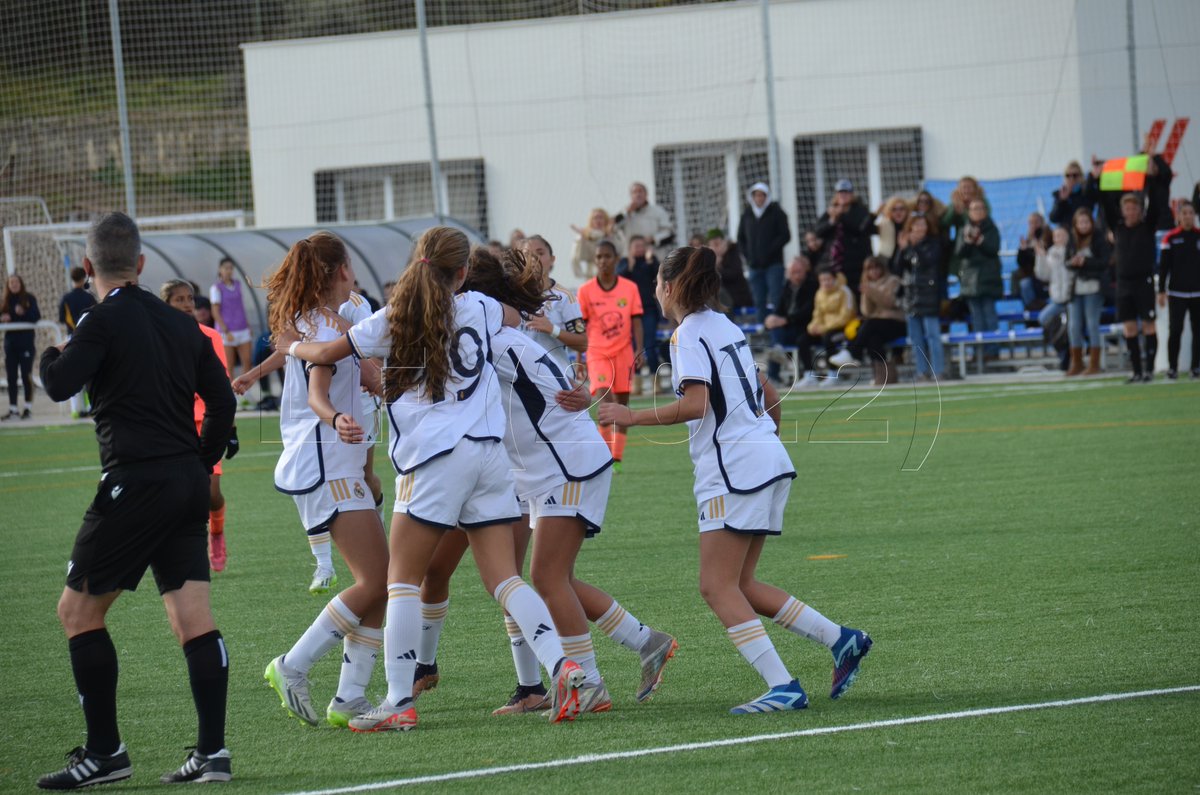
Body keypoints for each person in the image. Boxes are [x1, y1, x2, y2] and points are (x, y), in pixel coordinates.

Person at [282, 226, 587, 731]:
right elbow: (512, 315)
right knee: (505, 578)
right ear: (463, 273)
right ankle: (563, 665)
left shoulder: (392, 317)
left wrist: (293, 347)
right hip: (490, 455)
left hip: (434, 459)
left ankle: (398, 701)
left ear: (415, 262)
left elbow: (326, 355)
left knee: (401, 580)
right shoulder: (481, 308)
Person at [598, 245, 871, 714]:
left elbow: (696, 404)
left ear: (666, 287)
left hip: (734, 469)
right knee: (740, 583)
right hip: (765, 458)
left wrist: (631, 416)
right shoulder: (727, 326)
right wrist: (765, 440)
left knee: (715, 586)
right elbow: (768, 392)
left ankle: (782, 684)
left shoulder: (686, 335)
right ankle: (841, 640)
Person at [413, 246, 676, 716]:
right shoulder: (498, 335)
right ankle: (642, 643)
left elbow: (543, 383)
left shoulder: (495, 340)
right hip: (540, 469)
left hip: (565, 465)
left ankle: (589, 683)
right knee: (543, 577)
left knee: (545, 576)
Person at [36, 212, 235, 787]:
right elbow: (222, 404)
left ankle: (106, 753)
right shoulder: (182, 325)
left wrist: (53, 348)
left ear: (88, 267)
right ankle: (213, 753)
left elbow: (58, 383)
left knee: (76, 613)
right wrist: (198, 465)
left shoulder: (99, 320)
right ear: (142, 264)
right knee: (193, 617)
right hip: (184, 483)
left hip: (133, 482)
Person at [260, 232, 390, 731]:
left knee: (380, 584)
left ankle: (350, 697)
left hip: (342, 461)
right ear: (340, 269)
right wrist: (335, 418)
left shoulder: (339, 315)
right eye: (350, 263)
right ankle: (292, 666)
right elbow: (319, 388)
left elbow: (367, 372)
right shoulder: (315, 324)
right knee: (376, 581)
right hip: (325, 462)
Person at [160, 280, 239, 572]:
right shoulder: (157, 339)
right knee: (175, 490)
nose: (187, 304)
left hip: (208, 420)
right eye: (179, 299)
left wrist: (230, 430)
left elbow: (222, 386)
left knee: (210, 491)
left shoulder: (210, 336)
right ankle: (184, 548)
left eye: (190, 298)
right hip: (173, 422)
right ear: (165, 304)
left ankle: (216, 532)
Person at [1092, 154, 1169, 382]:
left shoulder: (1147, 226)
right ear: (1123, 210)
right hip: (1123, 284)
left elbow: (1156, 202)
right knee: (1129, 328)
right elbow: (1105, 203)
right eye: (1127, 207)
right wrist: (1098, 179)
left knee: (1148, 325)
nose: (1131, 211)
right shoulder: (1117, 228)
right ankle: (1136, 371)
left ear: (1139, 210)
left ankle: (1149, 370)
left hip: (1143, 282)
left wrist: (1151, 176)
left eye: (1134, 207)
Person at [580, 240, 644, 469]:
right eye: (599, 257)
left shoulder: (629, 288)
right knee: (605, 401)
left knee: (623, 405)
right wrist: (579, 358)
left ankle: (616, 457)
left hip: (624, 351)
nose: (603, 261)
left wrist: (639, 349)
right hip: (597, 353)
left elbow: (637, 321)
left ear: (616, 260)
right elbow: (581, 327)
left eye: (607, 256)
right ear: (595, 260)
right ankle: (604, 455)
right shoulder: (585, 291)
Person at [831, 256, 906, 385]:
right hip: (877, 324)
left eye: (877, 268)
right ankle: (883, 377)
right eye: (870, 269)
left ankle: (853, 352)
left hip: (896, 322)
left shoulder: (893, 281)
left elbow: (890, 302)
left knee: (870, 324)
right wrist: (865, 295)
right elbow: (867, 312)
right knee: (873, 339)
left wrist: (872, 291)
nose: (874, 272)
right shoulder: (868, 285)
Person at [522, 235, 587, 377]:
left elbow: (583, 344)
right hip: (521, 379)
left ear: (552, 260)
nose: (534, 259)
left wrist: (552, 329)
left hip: (555, 378)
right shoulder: (511, 295)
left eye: (540, 253)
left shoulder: (565, 297)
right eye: (527, 255)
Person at [897, 213, 946, 381]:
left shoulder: (933, 243)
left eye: (922, 224)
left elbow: (927, 261)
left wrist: (913, 247)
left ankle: (938, 370)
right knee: (916, 338)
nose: (919, 228)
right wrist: (902, 249)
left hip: (929, 295)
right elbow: (897, 268)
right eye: (916, 225)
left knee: (933, 336)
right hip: (911, 297)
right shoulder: (908, 247)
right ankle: (921, 371)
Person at [1064, 208, 1111, 376]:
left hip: (1094, 287)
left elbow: (1105, 262)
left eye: (1086, 222)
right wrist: (1073, 262)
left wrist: (1085, 262)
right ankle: (1076, 362)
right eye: (1080, 222)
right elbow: (1066, 262)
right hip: (1076, 289)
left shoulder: (1099, 238)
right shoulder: (1072, 240)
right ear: (1075, 225)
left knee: (1092, 324)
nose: (1083, 225)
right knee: (1073, 326)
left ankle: (1094, 363)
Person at [951, 199, 1003, 350]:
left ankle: (992, 351)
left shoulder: (992, 229)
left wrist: (980, 241)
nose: (977, 212)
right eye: (974, 209)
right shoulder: (963, 230)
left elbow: (993, 249)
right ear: (969, 212)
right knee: (976, 318)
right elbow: (959, 253)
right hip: (970, 281)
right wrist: (967, 241)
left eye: (980, 208)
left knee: (989, 315)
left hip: (989, 278)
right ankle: (979, 352)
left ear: (985, 211)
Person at [737, 182, 791, 322]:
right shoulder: (747, 214)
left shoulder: (777, 212)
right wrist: (748, 257)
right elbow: (741, 238)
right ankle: (762, 334)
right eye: (756, 195)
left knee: (776, 299)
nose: (759, 198)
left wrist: (769, 252)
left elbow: (785, 235)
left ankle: (777, 336)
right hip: (754, 266)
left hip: (774, 265)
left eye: (762, 195)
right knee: (759, 301)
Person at [1158, 200, 1200, 379]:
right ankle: (1172, 367)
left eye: (1191, 213)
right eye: (1184, 213)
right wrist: (1161, 290)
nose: (1188, 216)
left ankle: (1195, 367)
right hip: (1177, 292)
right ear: (1179, 216)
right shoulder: (1171, 238)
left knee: (1198, 331)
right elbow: (1164, 267)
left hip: (1198, 292)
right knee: (1175, 330)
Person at [763, 255, 819, 387]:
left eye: (798, 272)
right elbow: (780, 309)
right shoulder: (787, 287)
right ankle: (773, 375)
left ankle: (777, 358)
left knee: (784, 336)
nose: (796, 275)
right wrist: (772, 319)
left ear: (806, 270)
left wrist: (785, 320)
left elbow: (808, 311)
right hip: (789, 327)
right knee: (774, 330)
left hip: (805, 327)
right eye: (793, 272)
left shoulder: (812, 286)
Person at [814, 179, 875, 293]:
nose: (843, 196)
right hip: (835, 264)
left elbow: (860, 229)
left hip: (855, 264)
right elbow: (818, 231)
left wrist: (841, 216)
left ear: (852, 194)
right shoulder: (830, 212)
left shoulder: (860, 210)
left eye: (846, 193)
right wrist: (832, 221)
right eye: (840, 193)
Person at [616, 235, 660, 392]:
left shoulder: (651, 261)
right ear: (630, 249)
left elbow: (660, 276)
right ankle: (637, 382)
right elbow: (618, 278)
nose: (640, 249)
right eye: (636, 246)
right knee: (633, 346)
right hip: (629, 312)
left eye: (642, 246)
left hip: (648, 309)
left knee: (649, 344)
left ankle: (656, 381)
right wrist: (629, 266)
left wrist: (651, 261)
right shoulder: (625, 263)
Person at [807, 267, 857, 386]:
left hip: (843, 328)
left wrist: (825, 328)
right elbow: (817, 314)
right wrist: (813, 327)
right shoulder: (819, 293)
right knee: (803, 339)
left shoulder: (844, 291)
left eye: (828, 279)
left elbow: (846, 315)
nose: (825, 282)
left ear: (835, 279)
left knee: (828, 338)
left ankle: (833, 374)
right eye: (822, 280)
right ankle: (809, 374)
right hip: (824, 328)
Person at [58, 267, 97, 418]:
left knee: (73, 374)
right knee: (89, 373)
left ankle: (76, 410)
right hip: (88, 338)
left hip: (71, 338)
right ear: (83, 278)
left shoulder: (66, 298)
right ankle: (90, 407)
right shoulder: (89, 298)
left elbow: (62, 318)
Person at [1033, 228, 1074, 372]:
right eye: (1057, 236)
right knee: (1044, 318)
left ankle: (1072, 356)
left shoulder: (1073, 251)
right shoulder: (1051, 253)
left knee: (1071, 328)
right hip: (1057, 299)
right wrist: (1041, 257)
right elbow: (1043, 275)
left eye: (1062, 235)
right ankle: (1062, 353)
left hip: (1072, 299)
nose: (1059, 238)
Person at [1, 273, 40, 420]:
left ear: (21, 283)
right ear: (8, 285)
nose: (13, 285)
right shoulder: (5, 300)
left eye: (16, 282)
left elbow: (36, 316)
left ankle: (28, 409)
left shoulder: (29, 298)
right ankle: (13, 410)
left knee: (26, 376)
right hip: (10, 346)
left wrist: (24, 313)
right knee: (11, 377)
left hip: (26, 345)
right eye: (11, 283)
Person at [210, 257, 253, 381]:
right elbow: (215, 311)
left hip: (242, 328)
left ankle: (245, 393)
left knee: (247, 362)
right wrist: (226, 330)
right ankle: (232, 393)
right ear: (220, 269)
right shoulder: (216, 288)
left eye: (231, 268)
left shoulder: (238, 284)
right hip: (227, 331)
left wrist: (248, 325)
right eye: (226, 268)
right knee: (229, 365)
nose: (229, 271)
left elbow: (241, 306)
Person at [611, 181, 674, 259]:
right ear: (631, 196)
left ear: (646, 194)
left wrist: (653, 239)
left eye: (640, 191)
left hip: (653, 258)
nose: (638, 194)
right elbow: (613, 228)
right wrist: (626, 213)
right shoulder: (624, 213)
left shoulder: (658, 211)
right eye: (634, 192)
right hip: (631, 259)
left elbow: (669, 233)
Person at [706, 229, 754, 314]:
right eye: (712, 245)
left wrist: (718, 268)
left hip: (736, 295)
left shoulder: (733, 252)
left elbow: (735, 274)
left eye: (717, 244)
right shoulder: (710, 258)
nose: (715, 248)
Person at [1015, 213, 1051, 309]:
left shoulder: (1049, 237)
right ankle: (1033, 315)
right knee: (1024, 284)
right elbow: (1021, 263)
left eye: (1036, 222)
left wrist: (1040, 249)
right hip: (1032, 278)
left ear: (1042, 223)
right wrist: (1023, 250)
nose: (1033, 225)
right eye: (1030, 223)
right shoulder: (1028, 240)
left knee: (1026, 285)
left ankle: (1039, 314)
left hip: (1047, 276)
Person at [1049, 160, 1097, 227]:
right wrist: (1062, 201)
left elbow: (1088, 210)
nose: (1071, 179)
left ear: (1081, 176)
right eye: (1068, 175)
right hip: (1066, 233)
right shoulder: (1060, 195)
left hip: (1082, 231)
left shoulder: (1086, 193)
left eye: (1075, 175)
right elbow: (1053, 218)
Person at [570, 207, 613, 280]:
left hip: (611, 273)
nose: (598, 220)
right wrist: (583, 238)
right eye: (595, 218)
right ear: (591, 220)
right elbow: (577, 257)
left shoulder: (614, 234)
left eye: (601, 217)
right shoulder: (585, 235)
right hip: (592, 274)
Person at [874, 196, 912, 275]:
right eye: (894, 209)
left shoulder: (913, 226)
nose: (898, 212)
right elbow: (866, 229)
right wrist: (876, 213)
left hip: (907, 266)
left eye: (901, 209)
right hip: (887, 267)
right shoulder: (884, 225)